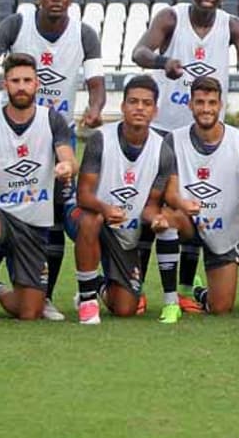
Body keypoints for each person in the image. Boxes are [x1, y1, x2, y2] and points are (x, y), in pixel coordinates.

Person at [0, 0, 105, 322]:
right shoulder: (16, 24)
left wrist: (96, 108)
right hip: (12, 132)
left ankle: (47, 296)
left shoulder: (84, 34)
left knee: (52, 212)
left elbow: (97, 83)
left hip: (58, 133)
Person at [131, 0, 239, 315]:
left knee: (197, 205)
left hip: (208, 136)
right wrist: (163, 62)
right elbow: (139, 53)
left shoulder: (231, 24)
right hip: (165, 133)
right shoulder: (171, 18)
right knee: (156, 209)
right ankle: (137, 284)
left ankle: (187, 289)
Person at [0, 53, 78, 329]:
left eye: (27, 80)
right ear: (5, 85)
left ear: (37, 84)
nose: (21, 86)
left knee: (29, 312)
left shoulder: (53, 120)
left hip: (33, 222)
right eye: (15, 81)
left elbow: (69, 158)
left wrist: (66, 167)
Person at [72, 75, 184, 324]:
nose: (139, 108)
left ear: (155, 110)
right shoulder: (100, 139)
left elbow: (152, 203)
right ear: (123, 106)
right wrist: (105, 207)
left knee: (125, 308)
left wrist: (155, 218)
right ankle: (88, 299)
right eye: (133, 102)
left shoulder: (163, 151)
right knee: (91, 220)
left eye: (146, 103)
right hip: (92, 215)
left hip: (125, 231)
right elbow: (83, 195)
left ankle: (99, 284)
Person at [168, 76, 239, 315]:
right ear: (190, 105)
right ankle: (174, 296)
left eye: (211, 103)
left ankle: (200, 292)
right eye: (200, 102)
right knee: (167, 216)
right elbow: (166, 190)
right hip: (186, 222)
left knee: (221, 308)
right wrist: (181, 203)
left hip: (223, 232)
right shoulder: (173, 140)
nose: (206, 109)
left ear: (220, 105)